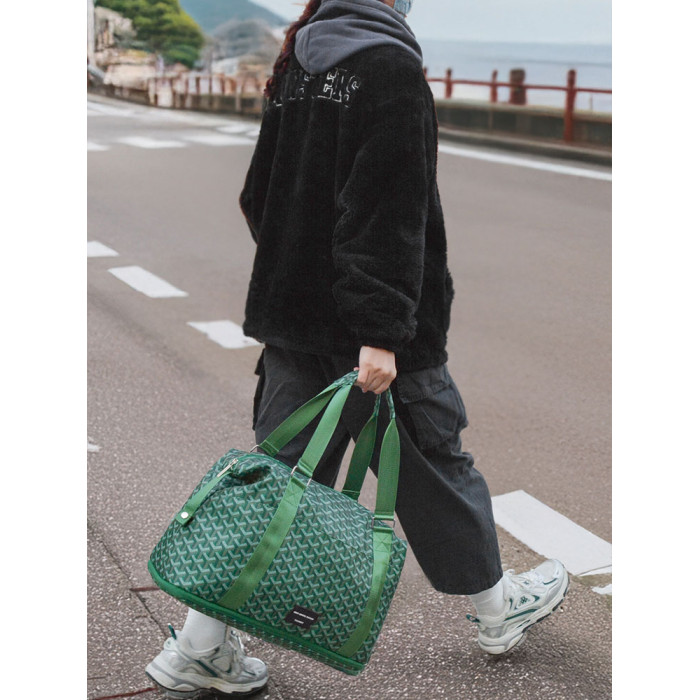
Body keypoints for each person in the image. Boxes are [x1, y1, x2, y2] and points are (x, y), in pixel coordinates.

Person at [146, 0, 569, 696]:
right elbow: (387, 211)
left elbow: (259, 196)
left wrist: (300, 276)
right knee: (432, 458)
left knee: (280, 480)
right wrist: (379, 331)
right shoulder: (389, 65)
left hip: (296, 320)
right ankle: (498, 607)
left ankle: (199, 645)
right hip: (377, 332)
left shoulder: (301, 57)